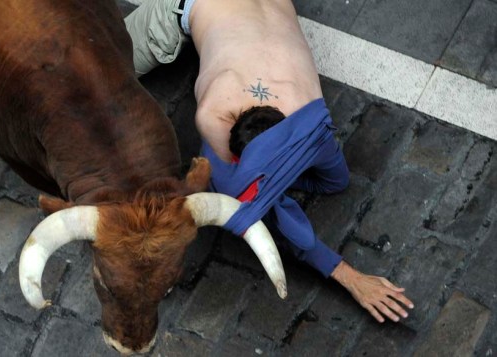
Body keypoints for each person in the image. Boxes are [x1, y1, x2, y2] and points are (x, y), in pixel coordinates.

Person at [124, 0, 414, 323]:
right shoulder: (301, 119)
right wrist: (277, 179)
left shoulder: (297, 121)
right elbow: (251, 200)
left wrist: (272, 181)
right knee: (96, 61)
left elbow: (253, 192)